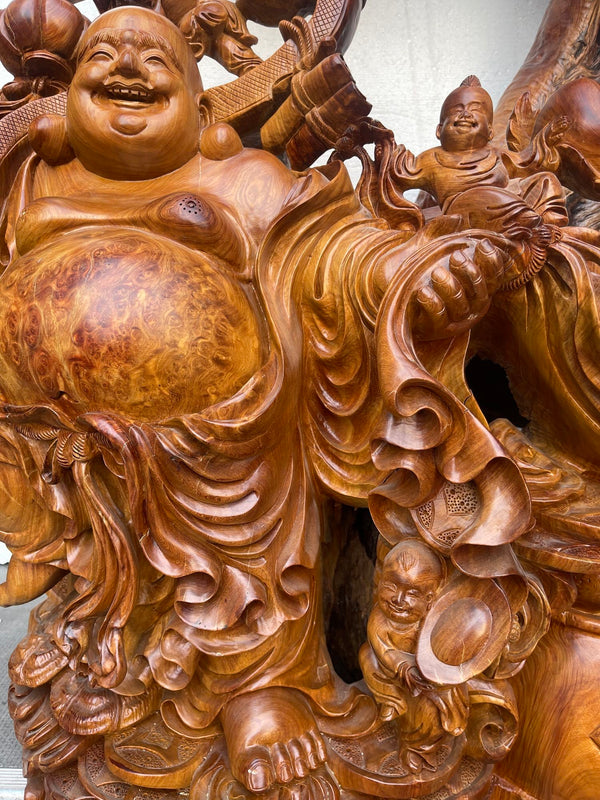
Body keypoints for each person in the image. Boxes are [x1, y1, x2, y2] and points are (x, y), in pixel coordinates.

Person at [0, 8, 534, 798]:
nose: (128, 68)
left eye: (157, 60)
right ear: (68, 97)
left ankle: (261, 683)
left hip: (227, 432)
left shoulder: (238, 179)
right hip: (57, 440)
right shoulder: (31, 186)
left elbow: (340, 253)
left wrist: (416, 276)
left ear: (197, 100)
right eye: (103, 56)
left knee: (263, 423)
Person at [359, 540, 468, 772]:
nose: (399, 599)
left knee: (429, 714)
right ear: (380, 582)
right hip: (394, 674)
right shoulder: (380, 620)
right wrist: (403, 667)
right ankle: (391, 703)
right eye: (391, 586)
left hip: (427, 679)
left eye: (412, 593)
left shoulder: (430, 623)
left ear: (429, 602)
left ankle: (420, 749)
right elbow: (383, 650)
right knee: (367, 657)